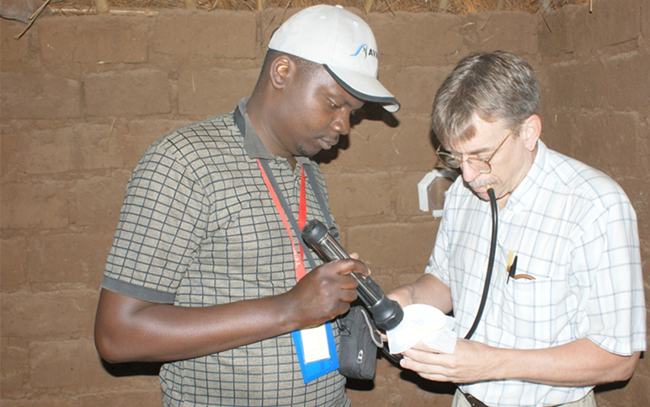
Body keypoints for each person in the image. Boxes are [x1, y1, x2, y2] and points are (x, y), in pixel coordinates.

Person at [93, 5, 400, 407]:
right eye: (333, 102)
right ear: (282, 72)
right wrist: (290, 309)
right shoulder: (185, 162)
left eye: (352, 112)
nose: (344, 126)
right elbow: (118, 334)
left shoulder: (307, 172)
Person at [388, 51, 645, 407]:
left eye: (480, 155)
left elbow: (618, 357)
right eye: (454, 157)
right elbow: (445, 281)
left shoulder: (594, 206)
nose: (467, 175)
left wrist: (490, 364)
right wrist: (409, 299)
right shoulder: (465, 193)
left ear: (528, 131)